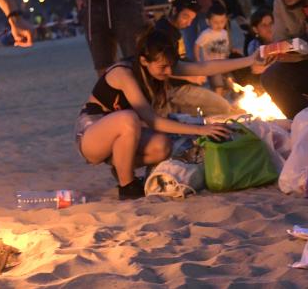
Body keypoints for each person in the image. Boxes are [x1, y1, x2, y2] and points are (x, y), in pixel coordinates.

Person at [76, 27, 269, 199]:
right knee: (129, 119)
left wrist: (250, 60)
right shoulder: (124, 74)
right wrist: (201, 130)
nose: (168, 71)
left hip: (124, 133)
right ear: (144, 60)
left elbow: (203, 68)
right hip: (92, 134)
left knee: (162, 146)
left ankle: (121, 167)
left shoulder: (159, 65)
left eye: (171, 66)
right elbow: (152, 120)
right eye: (163, 67)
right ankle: (127, 186)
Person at [155, 0, 233, 116]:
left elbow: (178, 60)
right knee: (222, 107)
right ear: (175, 10)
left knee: (220, 104)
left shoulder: (171, 29)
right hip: (170, 88)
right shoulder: (162, 34)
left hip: (177, 85)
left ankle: (174, 111)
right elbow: (159, 69)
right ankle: (170, 111)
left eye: (192, 19)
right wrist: (190, 77)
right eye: (185, 17)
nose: (188, 23)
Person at [194, 2, 232, 97]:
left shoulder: (224, 32)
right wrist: (198, 59)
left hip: (224, 64)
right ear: (208, 21)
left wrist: (231, 51)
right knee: (217, 85)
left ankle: (221, 101)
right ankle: (218, 102)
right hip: (212, 66)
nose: (219, 25)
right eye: (215, 22)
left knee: (228, 84)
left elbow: (226, 46)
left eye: (222, 22)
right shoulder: (206, 34)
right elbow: (197, 45)